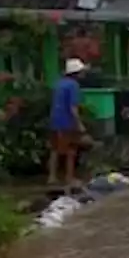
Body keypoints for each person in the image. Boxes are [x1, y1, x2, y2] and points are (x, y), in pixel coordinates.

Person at [48, 58, 87, 187]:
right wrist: (79, 124)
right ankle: (69, 178)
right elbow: (72, 108)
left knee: (55, 150)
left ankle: (52, 177)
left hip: (54, 120)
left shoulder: (59, 84)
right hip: (66, 122)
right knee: (71, 149)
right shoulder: (73, 85)